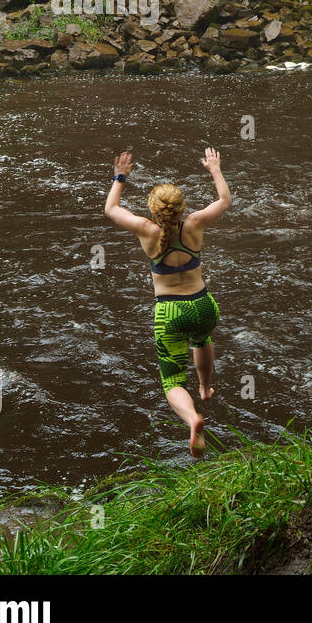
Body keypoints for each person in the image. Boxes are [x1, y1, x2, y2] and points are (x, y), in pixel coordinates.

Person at [103, 148, 232, 457]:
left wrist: (121, 176)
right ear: (181, 207)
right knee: (202, 338)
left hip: (170, 312)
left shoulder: (146, 230)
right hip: (203, 306)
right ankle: (204, 388)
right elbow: (225, 201)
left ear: (154, 209)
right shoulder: (195, 223)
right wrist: (214, 169)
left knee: (172, 379)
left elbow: (111, 209)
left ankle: (192, 420)